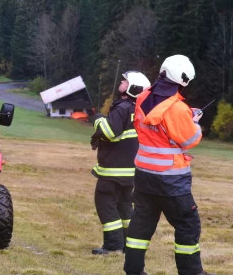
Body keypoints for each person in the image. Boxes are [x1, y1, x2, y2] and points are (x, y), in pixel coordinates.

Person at [123, 55, 214, 275]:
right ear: (183, 79)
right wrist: (193, 123)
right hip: (171, 179)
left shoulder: (143, 97)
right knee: (187, 224)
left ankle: (133, 271)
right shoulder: (177, 108)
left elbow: (157, 125)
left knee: (141, 223)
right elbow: (190, 141)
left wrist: (186, 117)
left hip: (144, 175)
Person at [90, 71, 151, 255]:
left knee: (105, 203)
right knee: (125, 207)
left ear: (132, 88)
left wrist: (98, 120)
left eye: (126, 81)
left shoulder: (123, 108)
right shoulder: (139, 110)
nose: (122, 81)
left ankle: (113, 244)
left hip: (113, 171)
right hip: (131, 171)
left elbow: (108, 132)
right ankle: (127, 244)